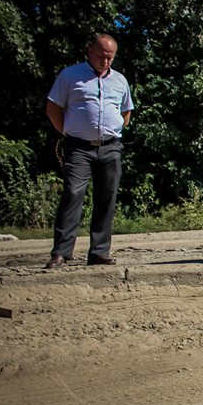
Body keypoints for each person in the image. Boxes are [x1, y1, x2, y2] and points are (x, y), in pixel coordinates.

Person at [44, 33, 133, 268]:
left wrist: (110, 131)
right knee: (73, 194)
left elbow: (126, 112)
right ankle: (61, 252)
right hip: (79, 147)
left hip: (110, 147)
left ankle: (99, 252)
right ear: (89, 51)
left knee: (107, 198)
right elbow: (53, 108)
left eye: (110, 57)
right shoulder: (70, 75)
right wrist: (68, 132)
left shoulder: (120, 80)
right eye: (101, 56)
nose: (105, 61)